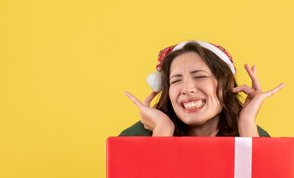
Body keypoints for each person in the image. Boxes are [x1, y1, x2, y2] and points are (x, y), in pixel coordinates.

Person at [120, 41, 284, 137]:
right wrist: (163, 131)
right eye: (176, 80)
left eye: (200, 76)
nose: (187, 88)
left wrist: (247, 124)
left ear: (226, 85)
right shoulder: (136, 136)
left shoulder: (252, 133)